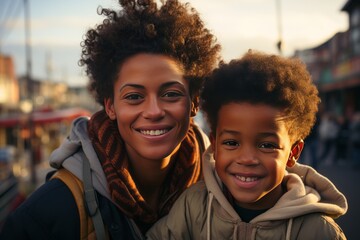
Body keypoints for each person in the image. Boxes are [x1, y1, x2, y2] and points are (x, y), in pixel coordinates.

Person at [0, 0, 221, 239]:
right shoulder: (48, 214)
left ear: (194, 102)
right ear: (110, 106)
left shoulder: (225, 192)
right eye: (134, 97)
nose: (154, 111)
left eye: (171, 94)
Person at [146, 51, 348, 239]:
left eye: (267, 145)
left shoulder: (318, 231)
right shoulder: (193, 206)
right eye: (232, 143)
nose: (247, 159)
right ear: (214, 145)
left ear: (293, 152)